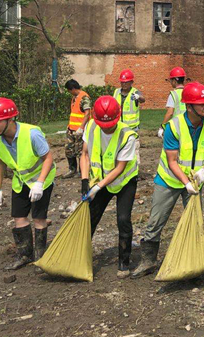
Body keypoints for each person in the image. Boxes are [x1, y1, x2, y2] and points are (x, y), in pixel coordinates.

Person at [133, 82, 204, 278]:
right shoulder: (174, 127)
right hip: (169, 180)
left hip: (195, 181)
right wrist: (185, 182)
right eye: (201, 104)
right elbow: (172, 161)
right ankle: (148, 261)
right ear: (189, 107)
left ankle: (194, 262)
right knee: (156, 221)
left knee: (196, 222)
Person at [0, 98, 56, 270]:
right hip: (20, 182)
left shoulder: (32, 133)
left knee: (39, 218)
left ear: (10, 120)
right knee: (19, 217)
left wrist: (39, 183)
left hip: (42, 180)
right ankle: (25, 254)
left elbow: (48, 158)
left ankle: (40, 258)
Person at [80, 96, 139, 279]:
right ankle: (81, 257)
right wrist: (84, 181)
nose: (106, 127)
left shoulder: (127, 135)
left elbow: (120, 168)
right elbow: (85, 154)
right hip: (100, 180)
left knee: (123, 219)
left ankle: (124, 261)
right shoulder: (90, 127)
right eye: (103, 124)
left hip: (124, 182)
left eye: (110, 124)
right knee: (90, 217)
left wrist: (98, 187)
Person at [63, 79, 91, 185]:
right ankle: (72, 169)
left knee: (81, 151)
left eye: (69, 90)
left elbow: (87, 113)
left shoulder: (84, 97)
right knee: (69, 150)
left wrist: (81, 127)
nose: (69, 92)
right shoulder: (74, 98)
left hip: (80, 130)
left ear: (73, 89)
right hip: (71, 129)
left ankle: (82, 171)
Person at [113, 69, 145, 164]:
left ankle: (136, 167)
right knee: (119, 147)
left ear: (131, 82)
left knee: (134, 148)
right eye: (122, 82)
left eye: (126, 82)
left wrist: (138, 97)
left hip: (132, 127)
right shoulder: (116, 92)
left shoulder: (135, 92)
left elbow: (143, 99)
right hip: (119, 127)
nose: (124, 84)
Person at [158, 67, 187, 138]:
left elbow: (170, 113)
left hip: (177, 127)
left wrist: (162, 126)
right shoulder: (188, 92)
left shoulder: (173, 94)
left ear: (174, 80)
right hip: (189, 125)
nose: (170, 82)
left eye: (171, 80)